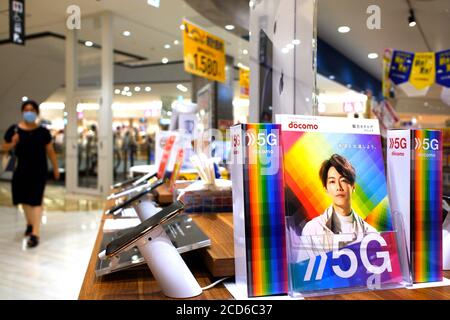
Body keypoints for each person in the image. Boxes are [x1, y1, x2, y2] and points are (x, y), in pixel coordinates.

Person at [2, 100, 60, 248]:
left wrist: (55, 168)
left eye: (32, 110)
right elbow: (3, 148)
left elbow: (51, 152)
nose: (29, 113)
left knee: (36, 201)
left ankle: (35, 233)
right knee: (24, 200)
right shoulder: (14, 130)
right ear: (22, 112)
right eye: (26, 110)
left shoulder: (43, 132)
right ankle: (29, 224)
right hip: (20, 170)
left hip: (38, 171)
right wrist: (13, 143)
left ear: (36, 113)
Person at [301, 154, 377, 252]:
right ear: (326, 189)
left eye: (343, 180)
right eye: (332, 181)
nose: (338, 187)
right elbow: (303, 266)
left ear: (353, 186)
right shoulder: (312, 230)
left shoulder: (371, 234)